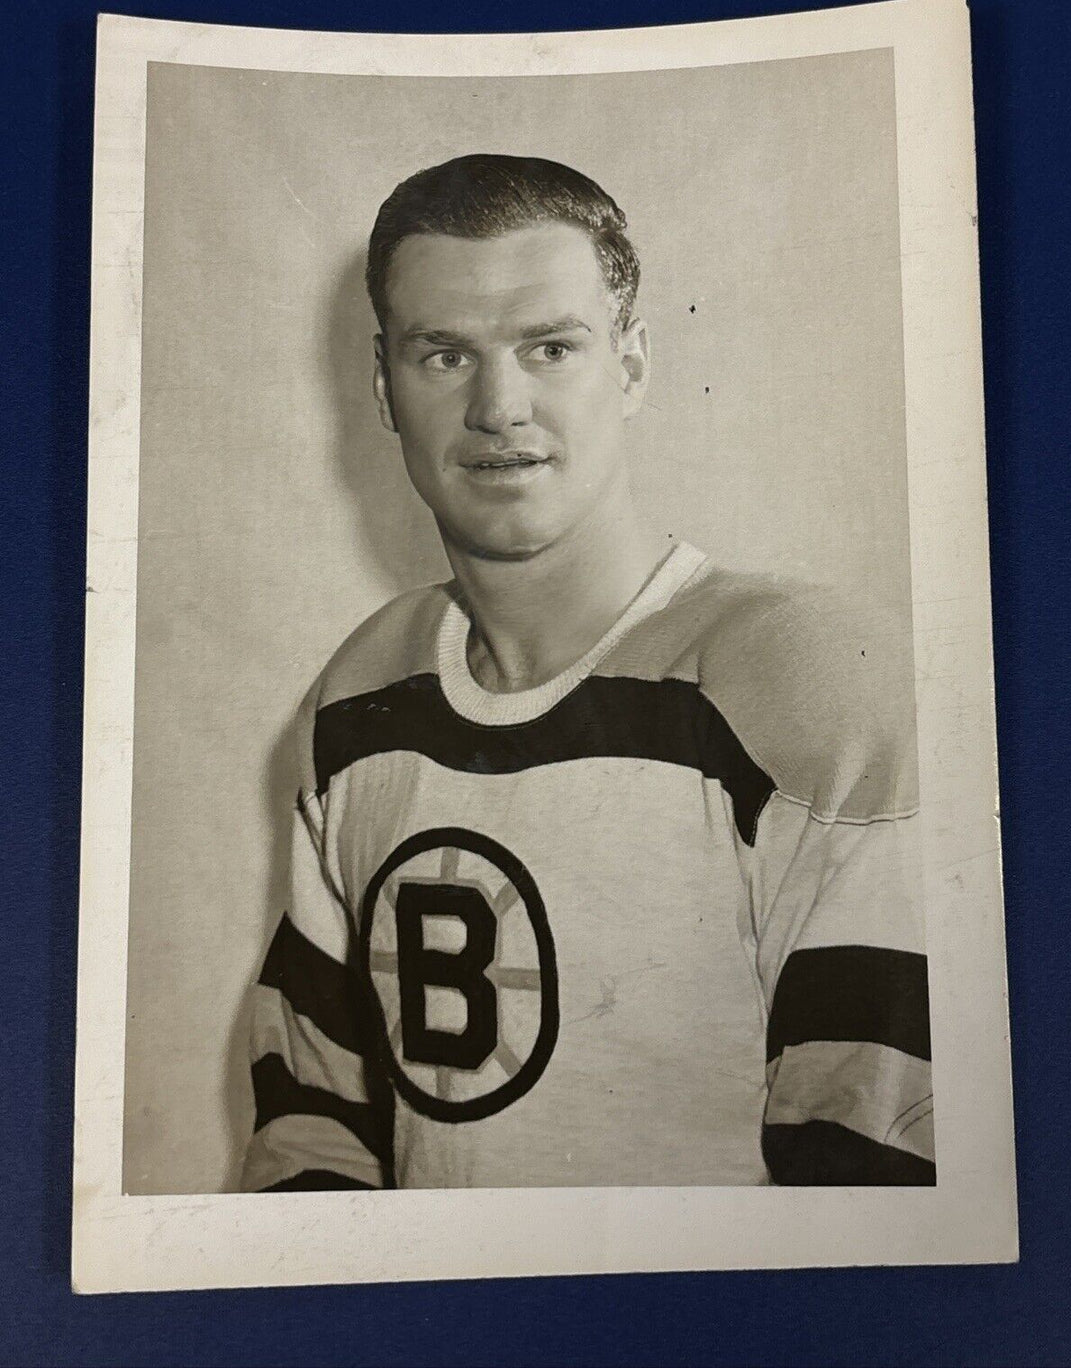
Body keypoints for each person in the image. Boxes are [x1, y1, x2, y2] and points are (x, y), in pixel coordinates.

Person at [240, 154, 934, 1192]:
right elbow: (311, 1127)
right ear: (384, 386)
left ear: (634, 363)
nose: (499, 406)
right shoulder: (358, 695)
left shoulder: (802, 675)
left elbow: (884, 1163)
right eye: (443, 356)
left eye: (549, 347)